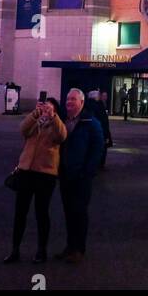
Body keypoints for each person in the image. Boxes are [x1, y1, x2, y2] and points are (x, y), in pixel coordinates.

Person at [6, 96, 66, 264]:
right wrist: (35, 114)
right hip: (26, 172)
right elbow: (22, 130)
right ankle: (15, 249)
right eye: (44, 107)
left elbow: (62, 136)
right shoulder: (35, 123)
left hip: (45, 175)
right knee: (20, 213)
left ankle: (41, 250)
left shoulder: (56, 126)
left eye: (49, 108)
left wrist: (53, 117)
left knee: (42, 213)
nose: (46, 110)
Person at [58, 88, 105, 263]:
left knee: (79, 213)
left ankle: (79, 249)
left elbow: (97, 149)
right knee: (68, 213)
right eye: (68, 99)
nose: (69, 102)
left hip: (81, 177)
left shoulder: (91, 122)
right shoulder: (62, 121)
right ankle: (70, 246)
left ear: (82, 102)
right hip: (65, 175)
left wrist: (87, 172)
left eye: (73, 99)